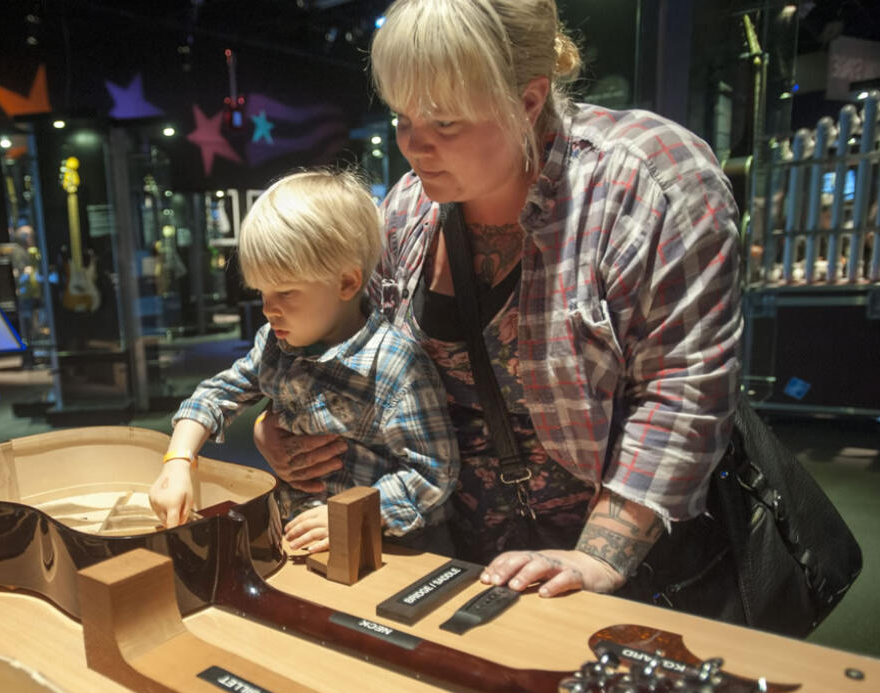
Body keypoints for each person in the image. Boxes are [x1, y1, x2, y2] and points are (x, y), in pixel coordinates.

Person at [254, 0, 742, 599]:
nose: (415, 147)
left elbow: (683, 387)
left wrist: (596, 559)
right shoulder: (409, 209)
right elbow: (355, 350)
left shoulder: (648, 181)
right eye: (403, 119)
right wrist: (279, 423)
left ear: (530, 100)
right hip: (453, 551)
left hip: (626, 567)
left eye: (445, 124)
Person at [149, 169, 459, 554]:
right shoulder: (275, 345)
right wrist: (178, 460)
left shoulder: (395, 365)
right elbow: (214, 395)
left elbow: (432, 473)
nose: (268, 310)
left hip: (384, 547)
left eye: (286, 292)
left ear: (346, 283)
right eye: (262, 292)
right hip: (300, 536)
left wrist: (353, 514)